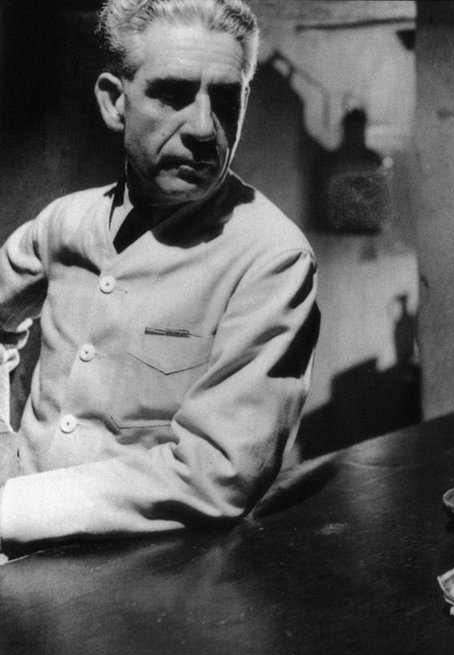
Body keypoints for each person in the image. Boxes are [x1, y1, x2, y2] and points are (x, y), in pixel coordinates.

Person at [0, 0, 318, 551]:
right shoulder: (65, 222)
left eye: (225, 99)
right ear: (114, 102)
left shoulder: (272, 258)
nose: (203, 128)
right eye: (173, 95)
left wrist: (12, 507)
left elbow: (216, 473)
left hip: (143, 570)